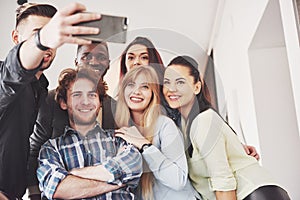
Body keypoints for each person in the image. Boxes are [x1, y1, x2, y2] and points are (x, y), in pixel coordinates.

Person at [0, 2, 100, 199]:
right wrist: (42, 39)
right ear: (15, 37)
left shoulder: (41, 88)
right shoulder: (4, 76)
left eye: (50, 38)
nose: (47, 47)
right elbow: (14, 70)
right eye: (37, 33)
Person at [163, 55, 291, 200]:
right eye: (167, 83)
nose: (171, 89)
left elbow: (222, 179)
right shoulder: (184, 126)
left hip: (254, 194)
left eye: (180, 82)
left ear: (196, 87)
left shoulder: (204, 120)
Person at [27, 41, 117, 199]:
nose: (94, 61)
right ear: (76, 61)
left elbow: (128, 167)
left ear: (108, 63)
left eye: (101, 57)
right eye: (86, 56)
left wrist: (75, 176)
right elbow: (34, 152)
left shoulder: (115, 108)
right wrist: (34, 195)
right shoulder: (50, 101)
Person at [37, 67, 142, 199]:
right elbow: (57, 188)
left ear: (100, 102)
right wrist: (117, 181)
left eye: (92, 95)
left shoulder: (119, 139)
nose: (86, 102)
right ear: (63, 103)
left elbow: (134, 167)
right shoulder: (51, 149)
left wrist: (73, 174)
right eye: (77, 95)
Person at [115, 66, 199, 200]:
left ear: (153, 94)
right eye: (131, 84)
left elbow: (178, 181)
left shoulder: (165, 125)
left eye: (145, 87)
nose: (137, 91)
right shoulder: (121, 132)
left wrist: (145, 146)